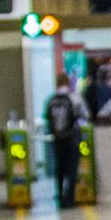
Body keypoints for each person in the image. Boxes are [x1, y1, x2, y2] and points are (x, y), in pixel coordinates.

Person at [43, 74, 82, 207]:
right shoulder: (74, 98)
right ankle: (69, 198)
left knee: (60, 168)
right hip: (72, 137)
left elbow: (47, 118)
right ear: (68, 83)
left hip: (57, 139)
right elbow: (84, 114)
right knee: (72, 169)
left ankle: (59, 195)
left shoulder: (51, 100)